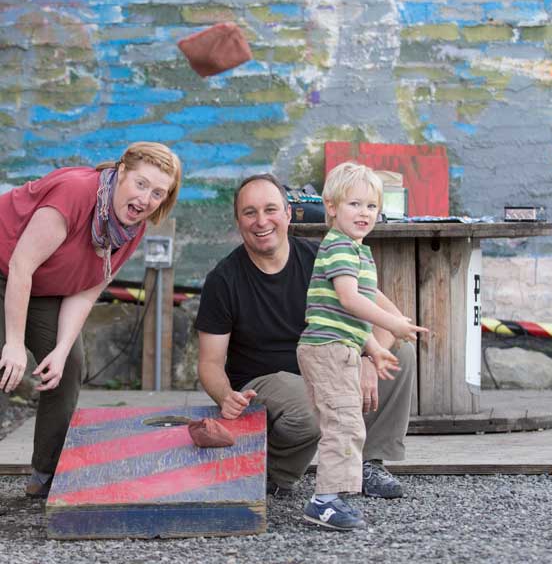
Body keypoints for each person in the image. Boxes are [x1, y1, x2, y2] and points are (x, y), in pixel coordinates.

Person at [195, 172, 420, 504]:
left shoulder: (321, 257)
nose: (261, 221)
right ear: (238, 221)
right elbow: (210, 364)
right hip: (267, 382)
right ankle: (276, 473)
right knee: (308, 401)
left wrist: (369, 359)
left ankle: (368, 463)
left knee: (400, 354)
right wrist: (225, 395)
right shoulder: (223, 280)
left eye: (270, 209)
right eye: (250, 212)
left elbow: (390, 320)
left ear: (288, 213)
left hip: (324, 363)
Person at [0, 141, 181, 498]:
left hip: (40, 285)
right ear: (122, 172)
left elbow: (85, 291)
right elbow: (22, 265)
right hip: (9, 269)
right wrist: (16, 344)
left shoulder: (130, 229)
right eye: (141, 184)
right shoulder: (76, 192)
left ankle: (46, 475)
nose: (146, 199)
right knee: (6, 363)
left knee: (68, 366)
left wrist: (62, 349)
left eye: (158, 193)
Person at [297, 162, 427, 530]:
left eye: (371, 206)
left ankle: (334, 495)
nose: (364, 213)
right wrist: (393, 323)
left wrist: (372, 346)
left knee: (348, 422)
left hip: (341, 344)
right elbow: (350, 300)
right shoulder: (339, 247)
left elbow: (347, 316)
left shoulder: (357, 251)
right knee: (344, 423)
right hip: (328, 349)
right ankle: (324, 502)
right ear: (332, 207)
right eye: (355, 204)